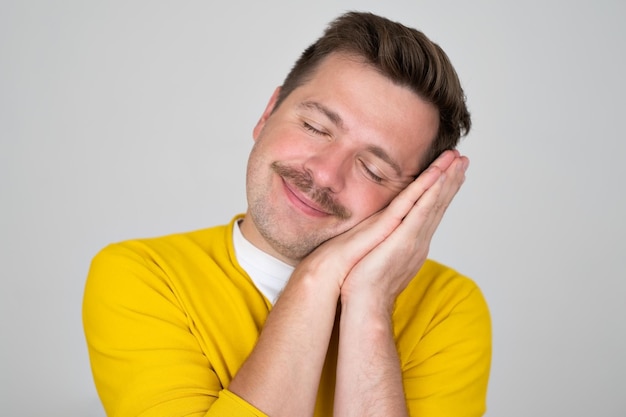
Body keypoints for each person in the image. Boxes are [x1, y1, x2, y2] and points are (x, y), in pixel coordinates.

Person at [83, 11, 491, 417]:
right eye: (315, 126)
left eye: (373, 169)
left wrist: (370, 303)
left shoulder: (446, 306)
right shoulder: (143, 276)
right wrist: (317, 277)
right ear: (267, 114)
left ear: (415, 199)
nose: (326, 172)